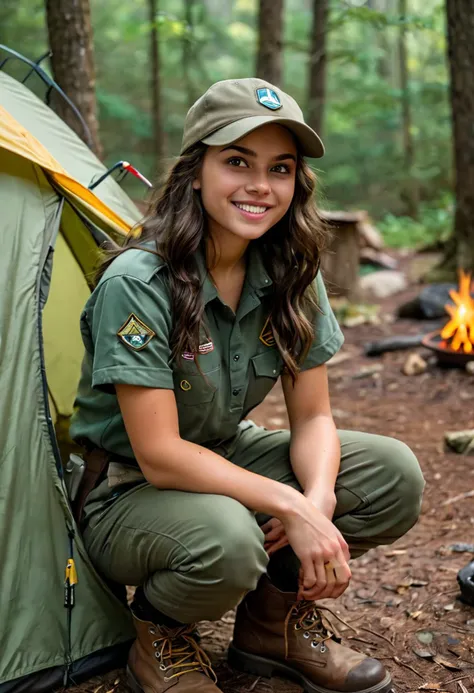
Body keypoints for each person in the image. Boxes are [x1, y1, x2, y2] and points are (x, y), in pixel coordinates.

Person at [70, 78, 425, 693]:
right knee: (230, 542)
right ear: (195, 171)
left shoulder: (290, 269)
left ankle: (272, 627)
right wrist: (287, 503)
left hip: (225, 453)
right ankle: (159, 635)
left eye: (280, 169)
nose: (261, 186)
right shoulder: (140, 281)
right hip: (125, 491)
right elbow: (159, 455)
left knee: (392, 474)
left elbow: (313, 417)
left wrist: (317, 501)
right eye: (237, 162)